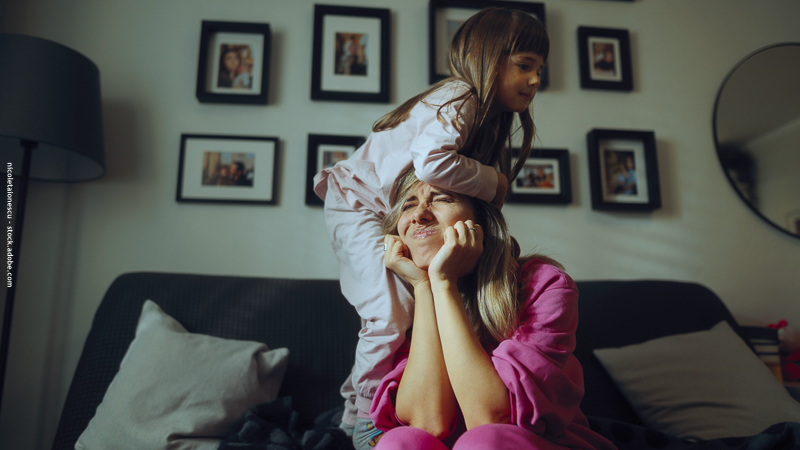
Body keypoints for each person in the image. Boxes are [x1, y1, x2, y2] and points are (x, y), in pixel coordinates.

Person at [313, 7, 549, 443]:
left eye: (539, 69)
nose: (536, 80)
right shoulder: (462, 96)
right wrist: (493, 179)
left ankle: (355, 405)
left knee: (398, 312)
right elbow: (432, 162)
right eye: (525, 66)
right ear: (488, 58)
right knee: (388, 313)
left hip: (377, 203)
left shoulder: (480, 116)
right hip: (359, 202)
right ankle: (362, 421)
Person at [369, 169, 617, 450]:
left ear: (480, 223)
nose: (419, 215)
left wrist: (444, 282)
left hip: (525, 443)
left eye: (442, 199)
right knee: (400, 442)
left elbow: (489, 417)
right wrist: (424, 287)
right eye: (409, 204)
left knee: (485, 440)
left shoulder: (542, 284)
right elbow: (427, 422)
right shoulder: (398, 301)